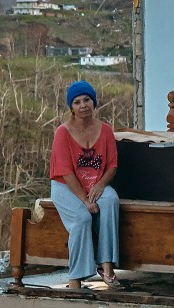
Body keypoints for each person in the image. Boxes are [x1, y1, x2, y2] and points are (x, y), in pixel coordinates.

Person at [49, 79, 120, 289]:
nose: (83, 105)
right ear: (71, 107)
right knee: (82, 219)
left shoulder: (105, 131)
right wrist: (85, 201)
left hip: (94, 184)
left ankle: (107, 268)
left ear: (94, 102)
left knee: (111, 200)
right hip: (66, 187)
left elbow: (112, 166)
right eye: (77, 102)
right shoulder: (62, 132)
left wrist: (100, 186)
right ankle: (76, 279)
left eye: (87, 100)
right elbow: (66, 172)